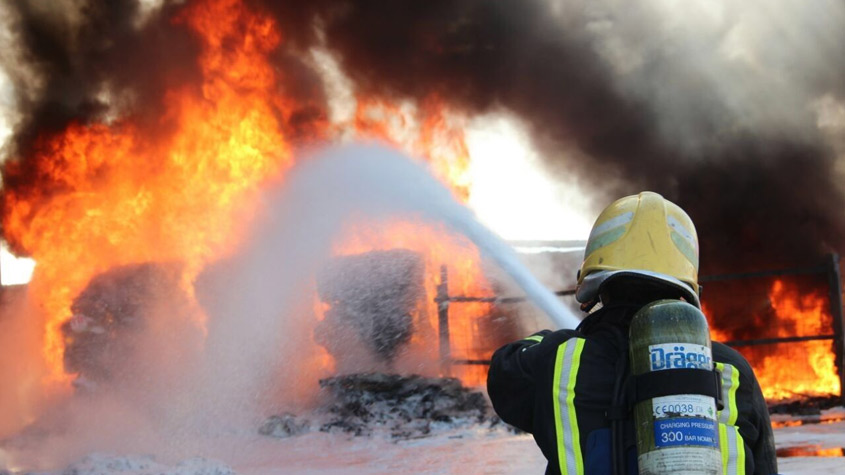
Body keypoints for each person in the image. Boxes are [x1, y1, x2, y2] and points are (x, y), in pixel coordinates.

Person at [487, 191, 777, 475]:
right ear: (686, 285)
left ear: (596, 280)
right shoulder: (730, 369)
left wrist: (554, 339)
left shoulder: (558, 359)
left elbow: (505, 370)